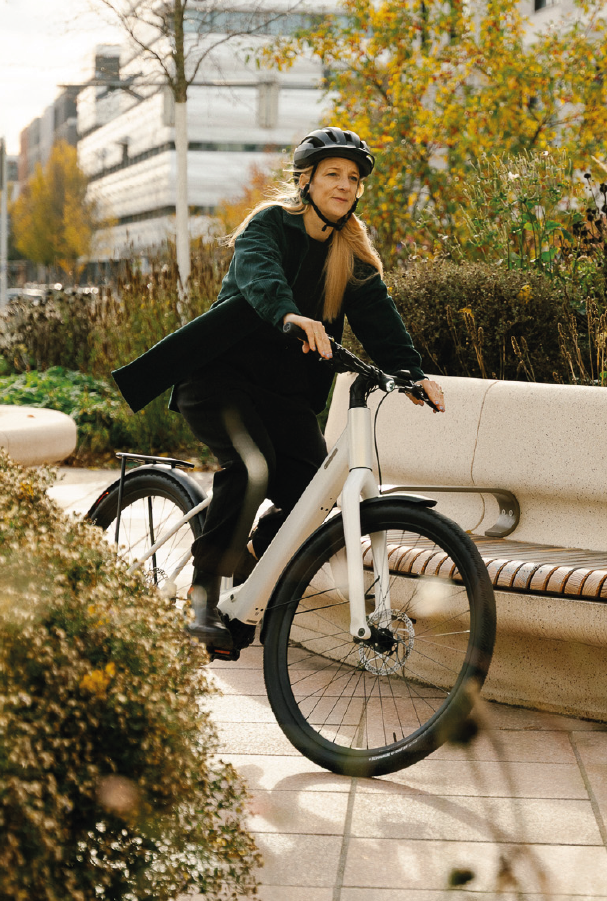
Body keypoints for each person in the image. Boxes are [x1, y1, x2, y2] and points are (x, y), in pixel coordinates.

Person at [112, 126, 445, 651]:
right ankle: (203, 595)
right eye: (332, 174)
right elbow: (258, 272)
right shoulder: (270, 224)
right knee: (252, 468)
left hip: (284, 394)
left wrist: (411, 373)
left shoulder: (349, 250)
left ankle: (249, 577)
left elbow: (378, 315)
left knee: (312, 498)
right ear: (306, 181)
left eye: (353, 178)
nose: (344, 184)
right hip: (219, 379)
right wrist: (288, 313)